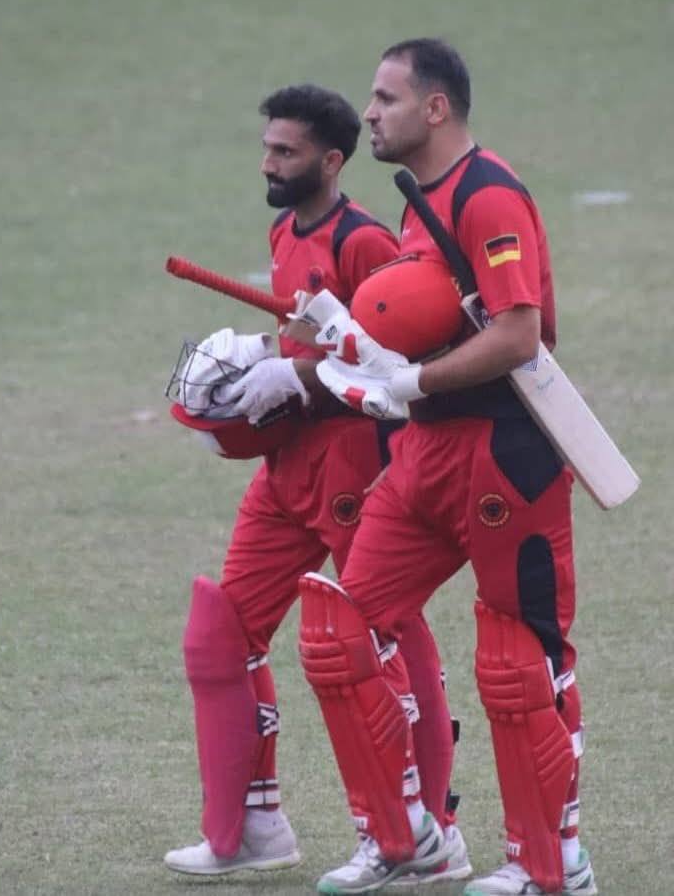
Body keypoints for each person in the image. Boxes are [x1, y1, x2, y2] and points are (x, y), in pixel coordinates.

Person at [297, 40, 598, 895]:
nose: (370, 113)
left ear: (435, 109)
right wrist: (351, 343)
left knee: (517, 661)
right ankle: (407, 839)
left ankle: (553, 863)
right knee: (342, 629)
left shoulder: (486, 193)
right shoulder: (414, 200)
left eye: (386, 98)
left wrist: (413, 378)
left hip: (504, 455)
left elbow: (521, 334)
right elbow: (425, 319)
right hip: (425, 451)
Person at [164, 83, 470, 884]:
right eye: (267, 148)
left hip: (353, 466)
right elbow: (305, 337)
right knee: (224, 635)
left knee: (384, 638)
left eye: (286, 152)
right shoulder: (283, 228)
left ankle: (434, 831)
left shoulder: (366, 241)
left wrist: (297, 378)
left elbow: (391, 362)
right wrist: (258, 372)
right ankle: (252, 825)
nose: (269, 162)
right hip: (287, 467)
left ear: (331, 162)